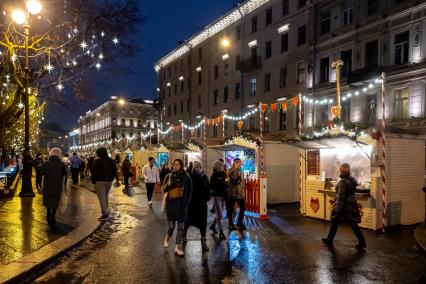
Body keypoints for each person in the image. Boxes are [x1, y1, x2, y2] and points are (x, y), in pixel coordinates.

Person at [322, 163, 366, 250]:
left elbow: (341, 197)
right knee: (340, 222)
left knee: (350, 223)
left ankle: (362, 241)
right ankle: (330, 239)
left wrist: (338, 209)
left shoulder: (343, 182)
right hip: (351, 204)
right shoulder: (351, 180)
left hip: (345, 206)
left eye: (340, 169)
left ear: (341, 171)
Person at [162, 159, 192, 256]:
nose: (176, 166)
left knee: (180, 227)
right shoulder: (169, 176)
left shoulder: (187, 177)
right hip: (171, 205)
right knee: (171, 226)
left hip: (182, 206)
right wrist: (168, 185)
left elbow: (190, 191)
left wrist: (187, 202)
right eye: (175, 165)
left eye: (178, 165)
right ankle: (168, 237)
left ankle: (177, 247)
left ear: (182, 165)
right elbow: (163, 189)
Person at [185, 161, 211, 251]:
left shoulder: (204, 177)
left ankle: (203, 239)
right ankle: (184, 236)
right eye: (197, 168)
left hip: (202, 203)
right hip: (192, 203)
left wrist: (208, 197)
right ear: (194, 169)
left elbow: (208, 188)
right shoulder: (190, 177)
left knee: (203, 222)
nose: (199, 169)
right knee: (188, 221)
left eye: (200, 167)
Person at [41, 148, 66, 230]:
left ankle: (48, 216)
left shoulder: (46, 163)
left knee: (48, 200)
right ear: (59, 155)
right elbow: (64, 173)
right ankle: (53, 217)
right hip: (57, 185)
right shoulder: (62, 164)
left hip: (47, 185)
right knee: (55, 200)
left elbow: (42, 172)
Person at [91, 148, 118, 220]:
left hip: (100, 181)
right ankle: (106, 210)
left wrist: (94, 181)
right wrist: (113, 178)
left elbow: (94, 172)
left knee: (102, 198)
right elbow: (115, 170)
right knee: (105, 196)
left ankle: (105, 214)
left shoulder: (97, 161)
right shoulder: (111, 160)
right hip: (109, 181)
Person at [209, 160, 228, 240]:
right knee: (220, 215)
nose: (222, 167)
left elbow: (227, 183)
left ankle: (213, 226)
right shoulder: (214, 175)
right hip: (217, 197)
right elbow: (211, 186)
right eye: (221, 166)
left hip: (222, 196)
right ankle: (221, 232)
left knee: (219, 214)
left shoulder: (224, 174)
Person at [227, 158, 246, 231]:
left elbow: (242, 181)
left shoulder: (241, 170)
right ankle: (230, 224)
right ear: (234, 163)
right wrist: (235, 168)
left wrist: (243, 189)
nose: (238, 163)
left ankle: (240, 222)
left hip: (240, 193)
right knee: (231, 209)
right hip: (232, 193)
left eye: (239, 162)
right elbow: (228, 175)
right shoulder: (231, 169)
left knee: (243, 207)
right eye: (236, 162)